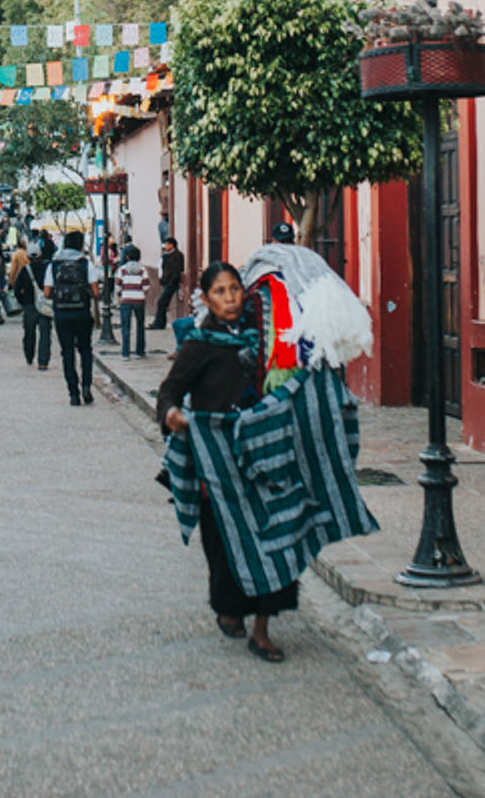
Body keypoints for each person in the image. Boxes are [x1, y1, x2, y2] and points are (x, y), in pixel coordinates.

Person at [157, 261, 297, 663]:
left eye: (235, 289)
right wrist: (171, 415)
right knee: (224, 546)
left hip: (264, 456)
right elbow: (170, 390)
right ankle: (229, 606)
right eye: (220, 292)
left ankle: (263, 629)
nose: (230, 298)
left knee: (273, 539)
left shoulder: (269, 341)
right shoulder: (200, 344)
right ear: (206, 299)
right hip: (217, 464)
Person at [43, 229, 102, 406]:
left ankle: (73, 393)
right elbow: (96, 292)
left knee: (67, 353)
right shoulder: (86, 264)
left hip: (61, 314)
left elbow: (47, 293)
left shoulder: (53, 265)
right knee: (85, 350)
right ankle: (86, 386)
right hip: (82, 313)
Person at [23, 232, 56, 371]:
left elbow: (18, 287)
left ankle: (29, 355)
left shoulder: (25, 270)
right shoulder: (47, 268)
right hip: (45, 304)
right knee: (45, 333)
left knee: (29, 332)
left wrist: (23, 301)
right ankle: (43, 361)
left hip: (30, 305)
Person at [116, 243, 150, 359]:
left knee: (126, 327)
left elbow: (118, 286)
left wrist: (121, 295)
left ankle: (125, 353)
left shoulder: (122, 269)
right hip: (139, 300)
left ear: (127, 257)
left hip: (126, 299)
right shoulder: (142, 269)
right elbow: (146, 286)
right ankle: (140, 352)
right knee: (140, 325)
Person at [155, 237, 184, 329]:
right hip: (166, 282)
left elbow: (176, 270)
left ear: (172, 245)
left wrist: (171, 281)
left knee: (161, 302)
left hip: (171, 283)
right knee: (162, 303)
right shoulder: (165, 255)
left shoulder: (178, 255)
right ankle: (160, 322)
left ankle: (159, 323)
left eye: (167, 244)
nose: (166, 246)